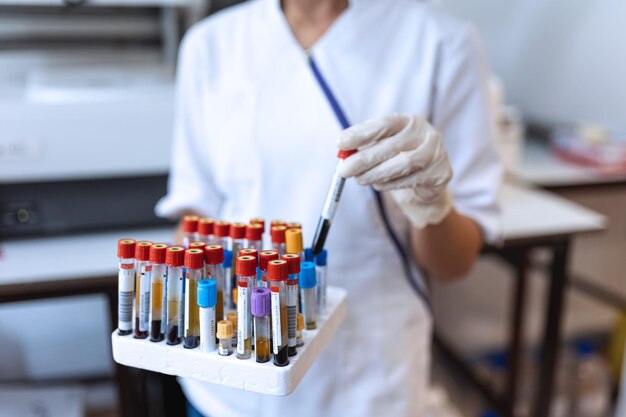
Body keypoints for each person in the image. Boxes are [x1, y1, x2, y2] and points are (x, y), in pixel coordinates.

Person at [156, 0, 502, 415]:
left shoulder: (441, 43)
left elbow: (454, 264)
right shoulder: (211, 44)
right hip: (230, 378)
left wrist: (431, 205)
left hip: (368, 379)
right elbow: (196, 225)